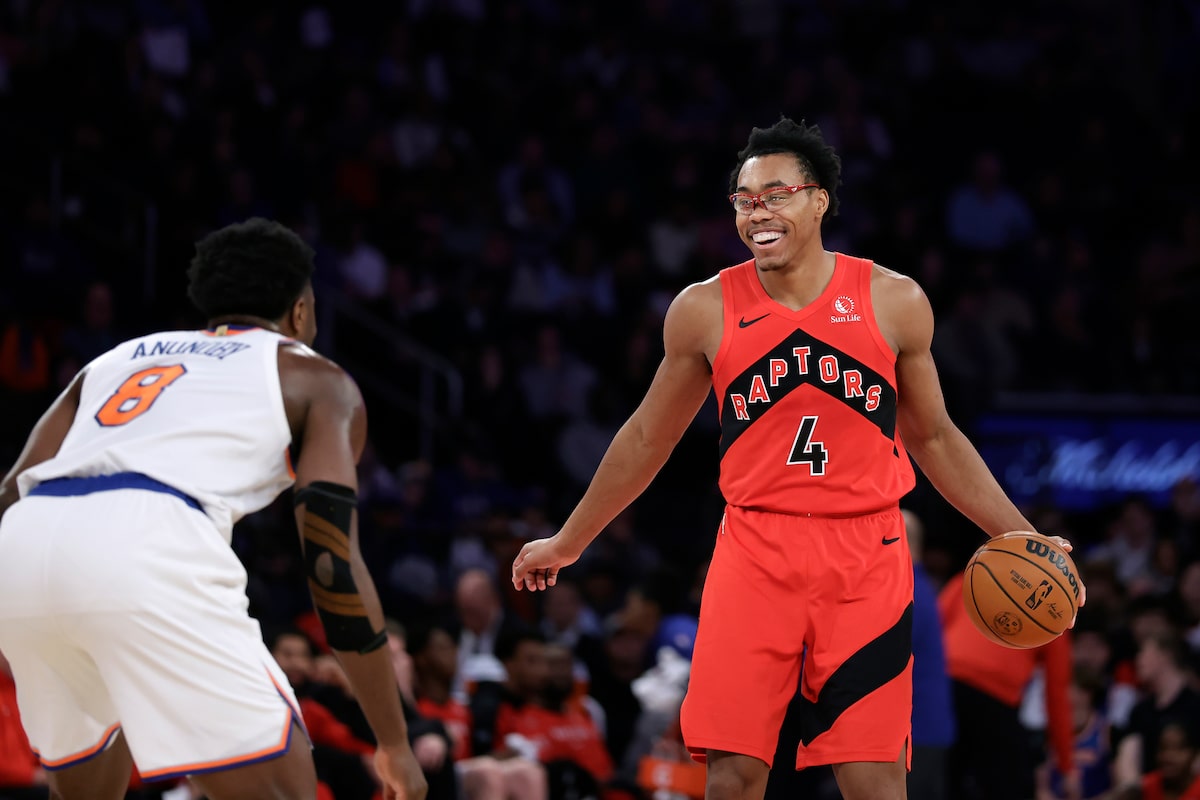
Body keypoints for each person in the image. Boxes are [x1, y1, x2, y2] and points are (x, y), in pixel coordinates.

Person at [511, 117, 1083, 800]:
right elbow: (646, 438)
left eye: (775, 194)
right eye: (744, 200)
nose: (758, 212)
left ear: (819, 201)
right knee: (732, 776)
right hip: (754, 550)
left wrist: (1020, 534)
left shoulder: (892, 300)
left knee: (872, 777)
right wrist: (569, 541)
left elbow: (935, 439)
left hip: (866, 554)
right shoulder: (703, 309)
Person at [0, 218, 427, 800]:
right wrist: (395, 740)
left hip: (22, 546)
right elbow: (332, 565)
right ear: (300, 311)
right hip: (147, 540)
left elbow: (10, 489)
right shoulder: (315, 378)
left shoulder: (110, 361)